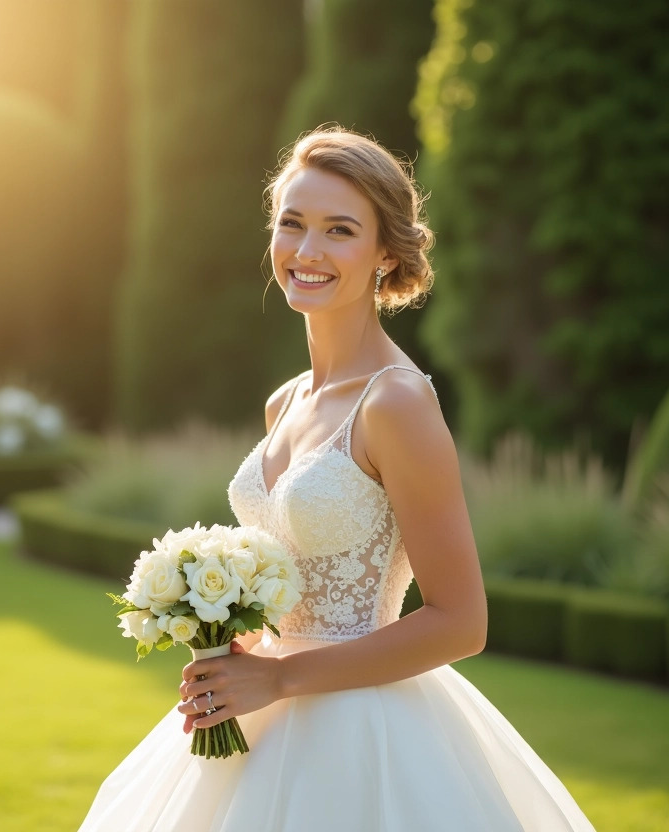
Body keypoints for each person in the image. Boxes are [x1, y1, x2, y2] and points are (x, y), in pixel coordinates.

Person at [79, 126, 597, 831]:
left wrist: (282, 676)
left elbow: (462, 621)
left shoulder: (397, 403)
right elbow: (294, 575)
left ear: (386, 254)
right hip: (259, 717)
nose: (308, 251)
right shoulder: (285, 401)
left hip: (363, 731)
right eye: (292, 224)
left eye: (340, 230)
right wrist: (236, 645)